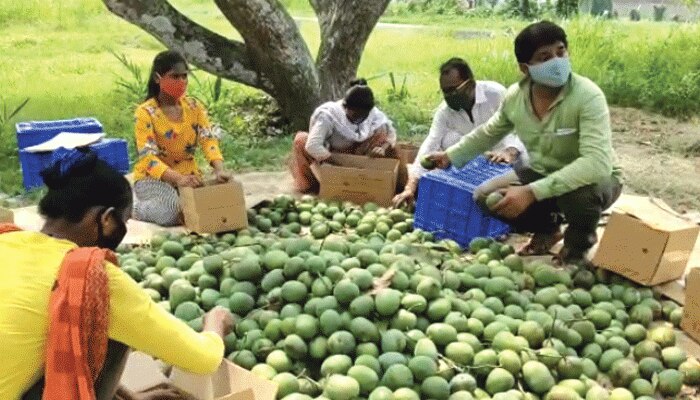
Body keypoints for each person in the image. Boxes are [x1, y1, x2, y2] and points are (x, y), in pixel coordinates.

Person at [0, 148, 233, 400]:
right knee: (103, 319)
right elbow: (204, 359)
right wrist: (215, 322)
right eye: (124, 221)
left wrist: (129, 396)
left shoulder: (8, 240)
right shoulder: (90, 277)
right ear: (108, 220)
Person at [426, 21, 622, 265]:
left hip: (594, 179)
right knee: (487, 197)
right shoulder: (516, 98)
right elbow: (489, 132)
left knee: (581, 196)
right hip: (545, 171)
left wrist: (531, 192)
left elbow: (597, 164)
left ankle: (576, 250)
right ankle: (548, 230)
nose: (556, 61)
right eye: (545, 57)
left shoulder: (587, 96)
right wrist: (451, 155)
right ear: (525, 68)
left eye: (561, 52)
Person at [393, 57, 528, 207]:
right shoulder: (445, 111)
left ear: (470, 84)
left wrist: (511, 151)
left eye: (453, 90)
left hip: (503, 158)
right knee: (449, 139)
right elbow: (430, 144)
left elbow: (526, 125)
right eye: (445, 92)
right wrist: (410, 188)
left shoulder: (496, 94)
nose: (449, 96)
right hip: (471, 162)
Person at [133, 50, 232, 227]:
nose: (181, 82)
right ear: (158, 78)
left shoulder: (194, 107)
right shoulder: (145, 113)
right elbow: (148, 159)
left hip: (189, 176)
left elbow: (208, 139)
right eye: (174, 76)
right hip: (154, 179)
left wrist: (219, 169)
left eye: (184, 76)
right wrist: (177, 179)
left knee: (224, 204)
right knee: (172, 213)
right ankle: (135, 208)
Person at [290, 79, 399, 193]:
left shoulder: (373, 114)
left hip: (358, 155)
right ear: (346, 107)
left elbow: (391, 133)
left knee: (381, 133)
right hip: (328, 158)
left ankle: (366, 181)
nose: (357, 119)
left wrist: (382, 148)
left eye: (362, 116)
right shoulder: (329, 115)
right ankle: (320, 183)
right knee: (301, 140)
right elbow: (312, 145)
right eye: (354, 115)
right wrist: (340, 164)